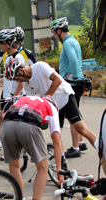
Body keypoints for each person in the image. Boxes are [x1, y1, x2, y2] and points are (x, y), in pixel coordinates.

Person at [4, 57, 97, 150]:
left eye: (17, 78)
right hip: (54, 105)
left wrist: (45, 98)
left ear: (20, 70)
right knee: (55, 136)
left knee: (82, 129)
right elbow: (30, 101)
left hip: (65, 97)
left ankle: (102, 150)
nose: (18, 81)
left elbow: (58, 80)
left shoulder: (40, 67)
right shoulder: (26, 83)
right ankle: (61, 160)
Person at [0, 95, 63, 200]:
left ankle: (20, 198)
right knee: (43, 167)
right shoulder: (52, 108)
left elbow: (4, 116)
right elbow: (56, 141)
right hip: (29, 125)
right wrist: (59, 168)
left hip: (7, 125)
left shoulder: (24, 98)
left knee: (14, 166)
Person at [50, 17, 87, 158]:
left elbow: (73, 60)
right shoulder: (73, 41)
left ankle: (75, 148)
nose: (54, 36)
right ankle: (81, 142)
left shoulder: (67, 43)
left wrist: (77, 76)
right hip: (73, 84)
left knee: (72, 117)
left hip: (70, 85)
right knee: (73, 115)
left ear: (59, 31)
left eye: (54, 33)